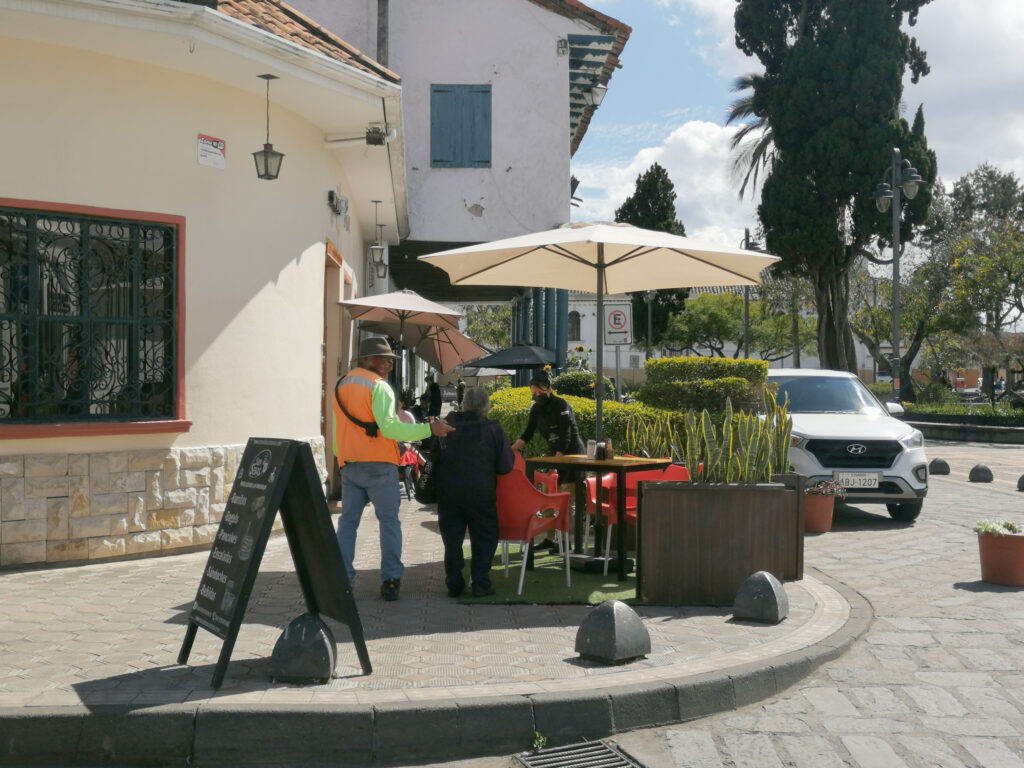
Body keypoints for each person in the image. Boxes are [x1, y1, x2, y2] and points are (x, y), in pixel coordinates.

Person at [334, 336, 454, 601]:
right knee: (389, 523)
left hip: (349, 464)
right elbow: (390, 428)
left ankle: (342, 580)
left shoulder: (341, 384)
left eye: (390, 360)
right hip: (380, 464)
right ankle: (390, 580)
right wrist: (428, 429)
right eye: (384, 360)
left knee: (348, 524)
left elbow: (336, 429)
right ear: (368, 360)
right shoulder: (379, 387)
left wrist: (341, 457)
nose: (389, 365)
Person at [433, 386, 515, 598]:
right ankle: (480, 582)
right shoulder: (493, 429)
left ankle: (454, 582)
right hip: (481, 492)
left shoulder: (447, 425)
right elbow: (506, 466)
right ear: (486, 406)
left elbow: (434, 455)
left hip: (449, 491)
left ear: (464, 403)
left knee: (452, 539)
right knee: (485, 537)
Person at [510, 370, 585, 553]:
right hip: (554, 456)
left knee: (566, 498)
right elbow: (527, 433)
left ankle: (566, 541)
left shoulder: (561, 405)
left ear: (548, 389)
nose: (537, 396)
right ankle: (550, 539)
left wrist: (555, 464)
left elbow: (566, 436)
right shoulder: (536, 409)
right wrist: (510, 449)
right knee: (547, 498)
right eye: (534, 393)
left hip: (572, 455)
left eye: (539, 392)